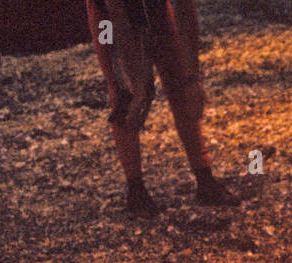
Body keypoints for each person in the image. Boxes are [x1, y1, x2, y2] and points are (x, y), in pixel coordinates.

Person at [87, 0, 239, 216]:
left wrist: (192, 78)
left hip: (153, 7)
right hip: (108, 15)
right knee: (123, 92)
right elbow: (119, 21)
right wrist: (138, 88)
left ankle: (204, 177)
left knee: (177, 79)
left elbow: (185, 12)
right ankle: (135, 188)